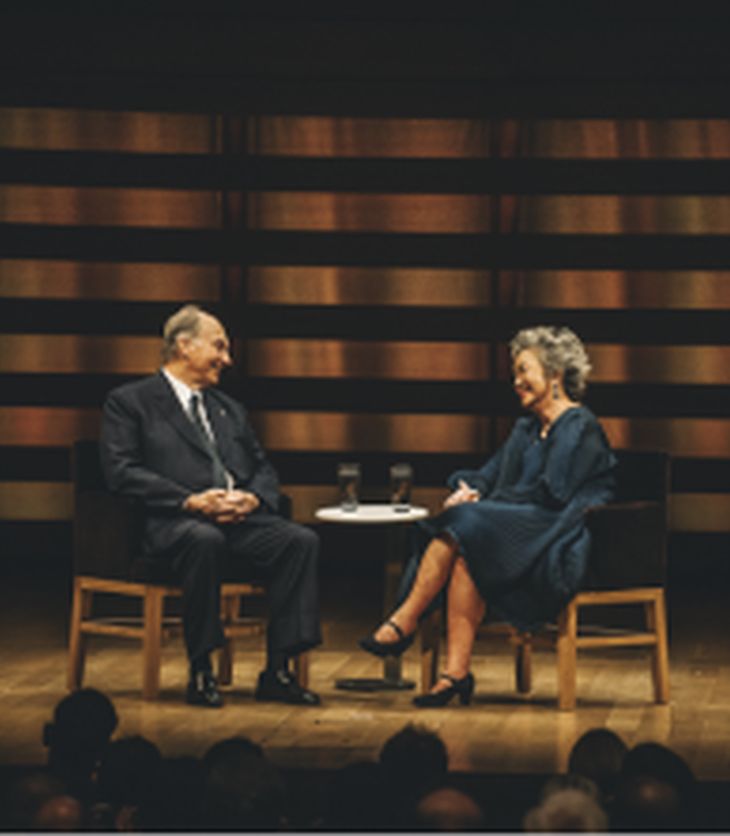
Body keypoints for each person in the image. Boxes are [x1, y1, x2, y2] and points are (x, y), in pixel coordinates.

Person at [360, 325, 616, 707]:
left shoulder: (579, 425)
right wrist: (469, 489)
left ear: (555, 375)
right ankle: (455, 675)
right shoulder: (527, 428)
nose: (516, 382)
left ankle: (405, 619)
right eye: (515, 373)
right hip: (518, 525)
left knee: (467, 524)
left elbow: (554, 492)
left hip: (555, 528)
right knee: (468, 547)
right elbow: (488, 474)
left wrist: (482, 504)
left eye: (524, 370)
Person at [101, 304, 321, 707]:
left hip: (236, 521)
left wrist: (253, 497)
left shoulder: (229, 409)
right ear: (184, 346)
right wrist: (189, 500)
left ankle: (278, 670)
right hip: (173, 522)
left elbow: (262, 467)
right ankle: (201, 669)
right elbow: (121, 471)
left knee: (299, 541)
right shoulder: (130, 402)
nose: (227, 359)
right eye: (219, 346)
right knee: (204, 539)